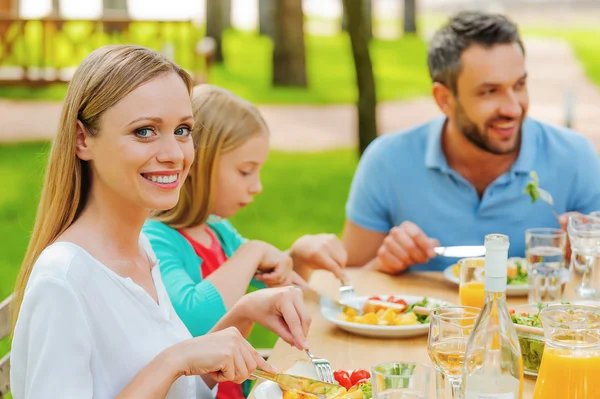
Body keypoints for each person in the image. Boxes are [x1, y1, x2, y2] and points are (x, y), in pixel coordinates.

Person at [10, 45, 311, 399]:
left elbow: (183, 390)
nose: (174, 155)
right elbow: (173, 368)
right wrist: (173, 360)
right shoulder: (62, 282)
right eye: (144, 131)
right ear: (82, 139)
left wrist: (243, 313)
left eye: (183, 130)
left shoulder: (142, 250)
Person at [342, 11, 600, 274]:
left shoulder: (576, 157)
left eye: (519, 85)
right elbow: (348, 285)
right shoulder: (387, 161)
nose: (513, 108)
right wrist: (384, 265)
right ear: (444, 99)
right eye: (489, 91)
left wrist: (587, 259)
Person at [142, 84, 346, 398]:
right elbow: (196, 323)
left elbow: (276, 294)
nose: (257, 186)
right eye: (245, 171)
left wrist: (297, 259)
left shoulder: (218, 232)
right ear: (198, 163)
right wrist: (253, 251)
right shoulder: (156, 239)